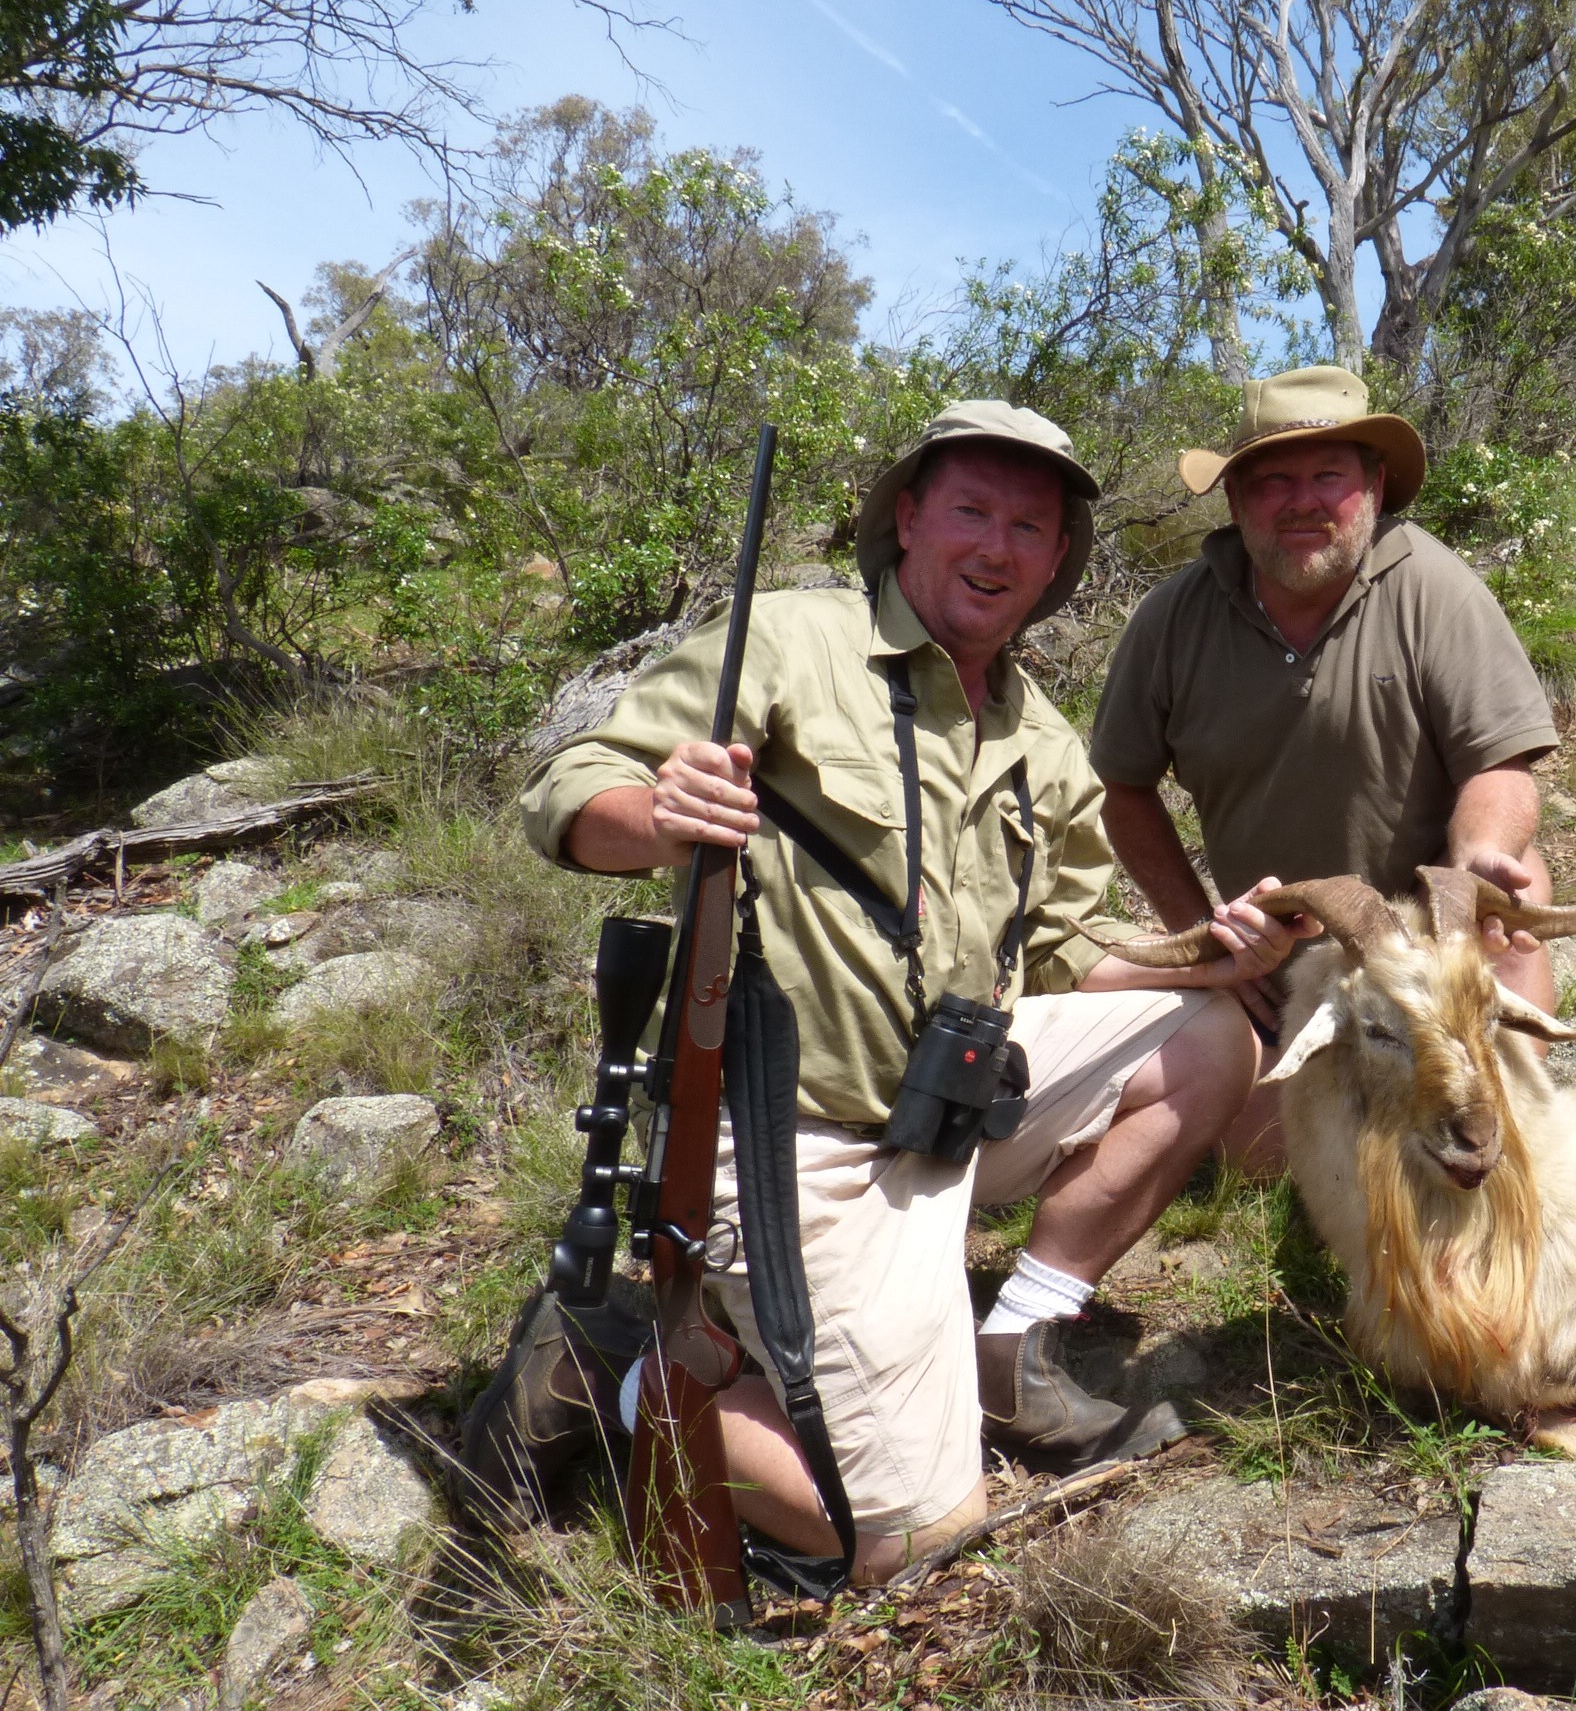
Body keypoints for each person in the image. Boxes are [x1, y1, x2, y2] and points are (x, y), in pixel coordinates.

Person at [481, 401, 1299, 1583]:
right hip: (789, 1138)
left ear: (1060, 560)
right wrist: (654, 818)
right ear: (907, 516)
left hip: (947, 1111)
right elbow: (574, 784)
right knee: (911, 1538)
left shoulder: (1042, 734)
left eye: (1031, 525)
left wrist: (1201, 958)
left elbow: (1065, 951)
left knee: (1212, 1035)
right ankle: (625, 1364)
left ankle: (1014, 1339)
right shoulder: (791, 640)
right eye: (971, 508)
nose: (999, 546)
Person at [1088, 365, 1561, 1160]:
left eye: (1327, 476)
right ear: (1236, 502)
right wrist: (1204, 933)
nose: (1301, 501)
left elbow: (1503, 765)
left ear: (1373, 486)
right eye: (1272, 481)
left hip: (1432, 942)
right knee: (1264, 1156)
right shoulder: (1173, 619)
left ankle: (1501, 1109)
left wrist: (1480, 856)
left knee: (1514, 904)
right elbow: (1123, 788)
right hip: (1282, 959)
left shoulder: (1434, 590)